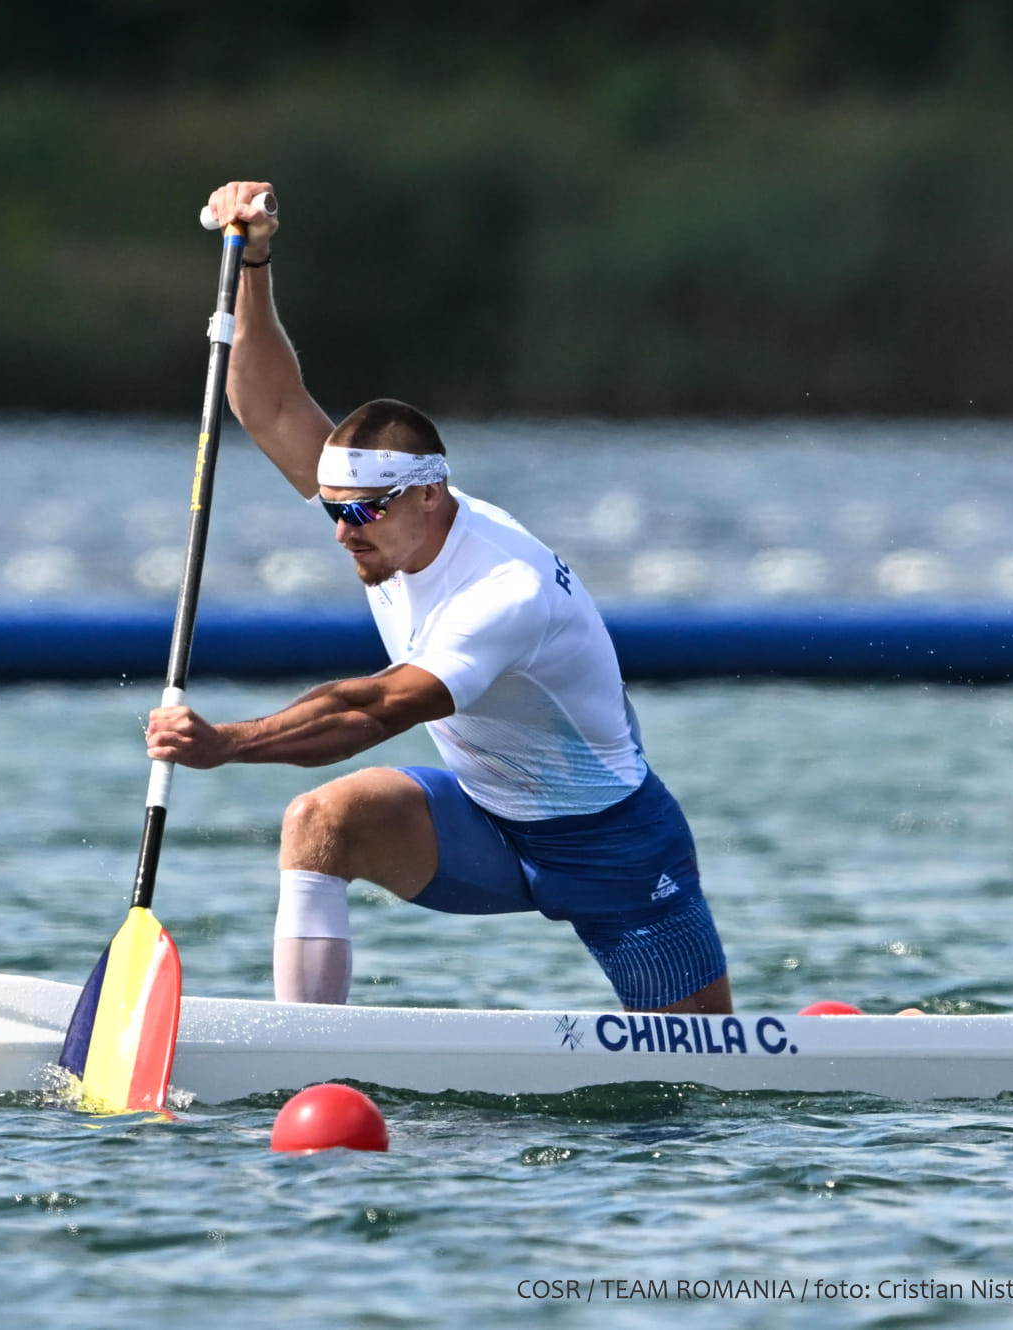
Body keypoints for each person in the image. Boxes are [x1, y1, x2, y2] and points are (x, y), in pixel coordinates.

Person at [144, 180, 733, 1015]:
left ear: (431, 496)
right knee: (321, 822)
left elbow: (373, 711)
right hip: (485, 822)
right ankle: (309, 1052)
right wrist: (255, 258)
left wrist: (226, 744)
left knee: (698, 1078)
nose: (344, 531)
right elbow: (267, 404)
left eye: (364, 513)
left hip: (616, 847)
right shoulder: (383, 518)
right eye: (335, 510)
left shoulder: (504, 588)